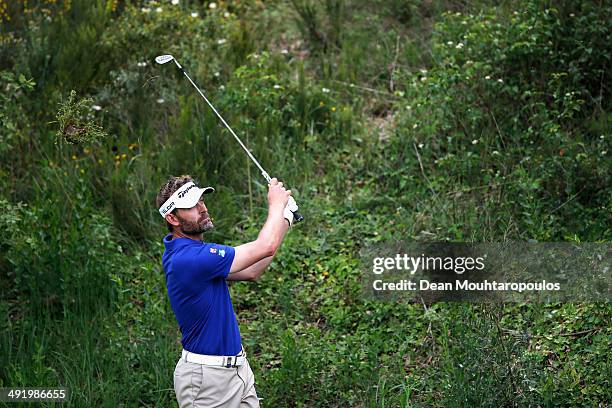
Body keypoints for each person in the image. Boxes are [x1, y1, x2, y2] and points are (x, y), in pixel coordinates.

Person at [156, 174, 297, 408]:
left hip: (237, 370)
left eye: (201, 200)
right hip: (207, 382)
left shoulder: (193, 253)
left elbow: (252, 270)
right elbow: (265, 246)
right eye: (192, 205)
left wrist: (285, 218)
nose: (202, 208)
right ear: (172, 217)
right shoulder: (188, 258)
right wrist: (276, 205)